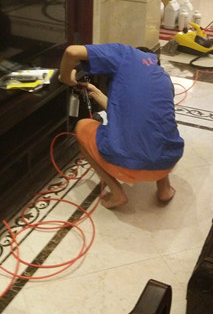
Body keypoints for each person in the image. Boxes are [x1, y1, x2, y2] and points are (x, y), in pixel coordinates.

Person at [58, 43, 184, 209]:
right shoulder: (163, 78)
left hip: (125, 167)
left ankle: (117, 193)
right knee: (154, 128)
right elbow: (133, 113)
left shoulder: (126, 54)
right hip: (168, 162)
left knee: (82, 126)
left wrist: (66, 78)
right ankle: (164, 189)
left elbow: (72, 51)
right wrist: (96, 93)